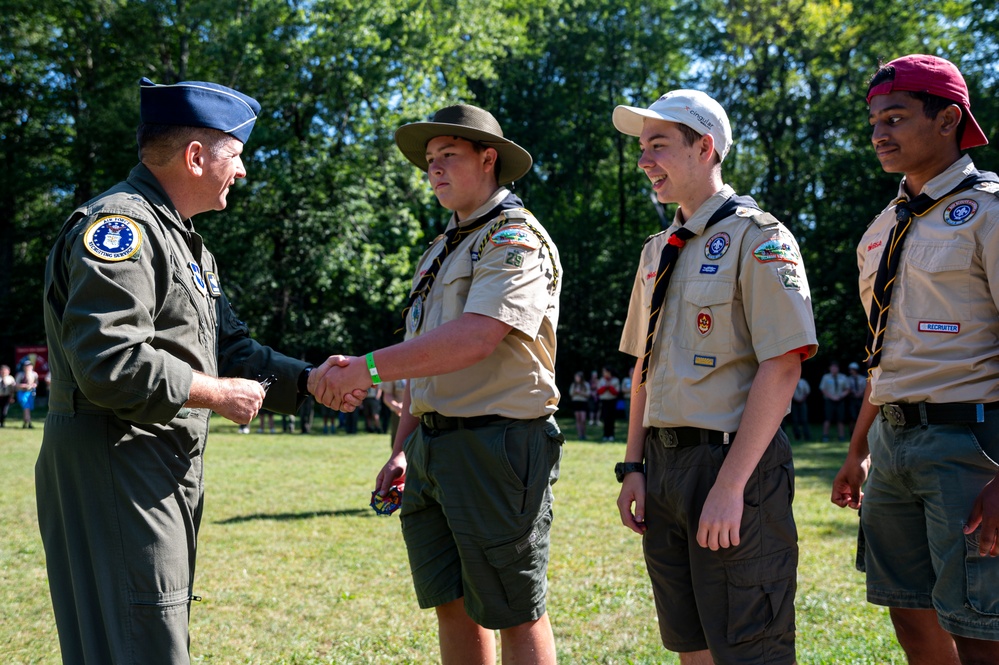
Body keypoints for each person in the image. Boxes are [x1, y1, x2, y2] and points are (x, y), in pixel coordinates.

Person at [36, 76, 363, 665]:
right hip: (118, 461)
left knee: (143, 635)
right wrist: (214, 394)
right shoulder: (121, 229)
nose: (241, 172)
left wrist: (312, 380)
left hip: (152, 463)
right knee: (143, 644)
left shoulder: (185, 243)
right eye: (236, 155)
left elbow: (232, 349)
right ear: (194, 157)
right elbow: (109, 360)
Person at [309, 103, 563, 664]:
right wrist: (402, 448)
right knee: (451, 601)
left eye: (449, 155)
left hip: (497, 444)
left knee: (515, 608)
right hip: (433, 445)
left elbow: (476, 338)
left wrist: (366, 367)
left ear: (488, 158)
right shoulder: (442, 248)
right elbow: (426, 361)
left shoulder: (513, 238)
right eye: (429, 160)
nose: (435, 169)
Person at [612, 89, 817, 664]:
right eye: (641, 147)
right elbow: (643, 368)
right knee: (691, 642)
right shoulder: (657, 251)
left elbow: (783, 366)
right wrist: (634, 465)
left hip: (734, 466)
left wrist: (730, 486)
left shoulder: (760, 238)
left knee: (751, 649)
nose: (643, 160)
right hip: (666, 466)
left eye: (658, 145)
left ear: (705, 148)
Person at [831, 54, 999, 665]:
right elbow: (887, 354)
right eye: (875, 119)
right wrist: (857, 449)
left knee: (983, 625)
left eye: (897, 117)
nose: (880, 132)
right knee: (908, 611)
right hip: (893, 445)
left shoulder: (990, 214)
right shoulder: (879, 231)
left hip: (971, 442)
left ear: (950, 118)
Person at [819, 361, 849, 442]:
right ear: (830, 368)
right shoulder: (826, 377)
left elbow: (847, 389)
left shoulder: (843, 377)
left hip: (840, 400)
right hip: (829, 400)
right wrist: (832, 397)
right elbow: (823, 389)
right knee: (827, 418)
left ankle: (841, 436)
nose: (834, 369)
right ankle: (825, 436)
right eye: (832, 367)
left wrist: (841, 396)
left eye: (835, 367)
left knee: (841, 419)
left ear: (838, 368)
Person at [596, 366, 620, 442]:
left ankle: (611, 435)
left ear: (609, 372)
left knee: (611, 419)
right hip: (604, 401)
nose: (603, 373)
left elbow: (616, 392)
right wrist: (605, 387)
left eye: (604, 371)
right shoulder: (601, 380)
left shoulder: (615, 380)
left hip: (612, 401)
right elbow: (599, 391)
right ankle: (605, 435)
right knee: (605, 418)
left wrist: (609, 387)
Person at [380, 378, 407, 445]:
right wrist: (397, 406)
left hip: (421, 413)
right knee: (398, 444)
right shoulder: (394, 371)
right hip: (399, 414)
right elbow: (387, 396)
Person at [15, 360, 39, 428]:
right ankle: (29, 423)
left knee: (28, 408)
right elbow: (16, 384)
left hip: (30, 393)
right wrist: (24, 386)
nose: (28, 367)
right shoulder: (20, 374)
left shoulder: (34, 374)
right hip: (22, 393)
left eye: (29, 365)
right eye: (26, 366)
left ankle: (25, 423)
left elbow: (36, 383)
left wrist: (34, 385)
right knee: (26, 406)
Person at [569, 370, 591, 439]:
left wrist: (580, 392)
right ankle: (579, 434)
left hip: (583, 403)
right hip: (576, 402)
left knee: (583, 419)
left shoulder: (586, 384)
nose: (576, 378)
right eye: (576, 377)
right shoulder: (574, 385)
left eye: (578, 377)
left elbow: (588, 394)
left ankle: (584, 434)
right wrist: (575, 392)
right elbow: (571, 394)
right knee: (578, 419)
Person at [845, 361, 865, 433]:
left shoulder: (862, 378)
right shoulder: (848, 379)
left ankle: (861, 432)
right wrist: (854, 392)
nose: (851, 371)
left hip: (861, 399)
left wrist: (860, 393)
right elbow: (847, 388)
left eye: (852, 369)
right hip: (852, 399)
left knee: (861, 416)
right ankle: (852, 432)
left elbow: (864, 388)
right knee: (852, 417)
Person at [790, 375, 812, 441]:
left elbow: (807, 391)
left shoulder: (803, 382)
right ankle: (797, 436)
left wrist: (802, 399)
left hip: (802, 402)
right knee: (795, 420)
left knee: (804, 419)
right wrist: (794, 399)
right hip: (793, 403)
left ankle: (806, 435)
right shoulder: (790, 381)